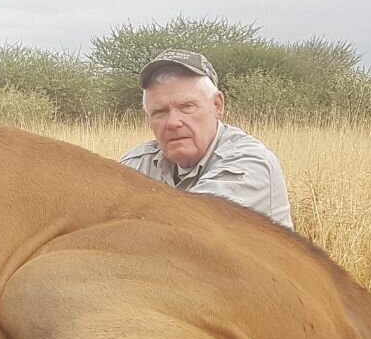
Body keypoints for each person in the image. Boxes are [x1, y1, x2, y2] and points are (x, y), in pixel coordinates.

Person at [120, 49, 293, 229]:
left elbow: (183, 230)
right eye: (159, 112)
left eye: (187, 106)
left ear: (217, 105)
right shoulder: (136, 164)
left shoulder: (251, 164)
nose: (172, 123)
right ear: (148, 118)